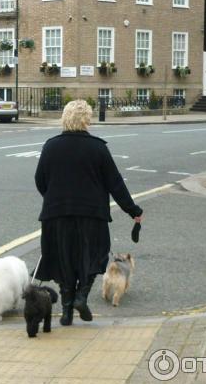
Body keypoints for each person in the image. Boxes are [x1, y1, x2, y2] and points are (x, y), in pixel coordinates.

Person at [34, 99, 143, 326]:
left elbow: (40, 181)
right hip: (92, 215)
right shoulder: (98, 148)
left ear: (65, 118)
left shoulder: (51, 146)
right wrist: (133, 210)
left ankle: (66, 312)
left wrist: (55, 200)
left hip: (57, 215)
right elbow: (115, 184)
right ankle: (82, 297)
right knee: (93, 257)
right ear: (86, 120)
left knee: (65, 261)